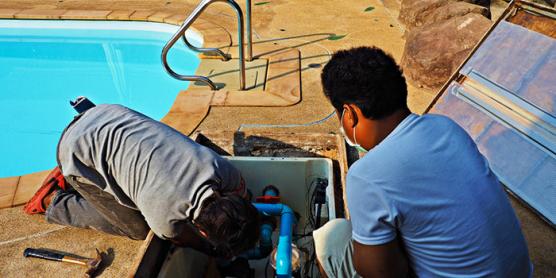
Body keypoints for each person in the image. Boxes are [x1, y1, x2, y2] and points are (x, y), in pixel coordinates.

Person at [313, 47, 532, 277]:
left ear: (350, 114)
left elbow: (382, 274)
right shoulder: (446, 127)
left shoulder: (366, 175)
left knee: (333, 239)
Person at [24, 103, 260, 258]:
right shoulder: (164, 221)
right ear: (204, 233)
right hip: (73, 149)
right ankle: (53, 199)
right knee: (137, 228)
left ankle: (83, 164)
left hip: (106, 113)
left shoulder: (224, 170)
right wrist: (216, 253)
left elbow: (245, 197)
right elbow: (182, 239)